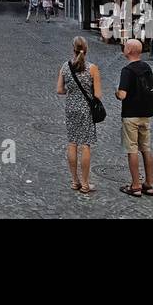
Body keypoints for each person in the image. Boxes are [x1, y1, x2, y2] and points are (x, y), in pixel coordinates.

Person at [56, 36, 101, 194]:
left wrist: (72, 92)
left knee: (72, 143)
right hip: (86, 110)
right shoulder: (92, 68)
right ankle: (85, 184)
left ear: (72, 49)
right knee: (85, 144)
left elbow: (60, 90)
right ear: (86, 49)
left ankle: (75, 181)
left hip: (71, 109)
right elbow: (98, 95)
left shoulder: (65, 66)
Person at [115, 38, 153, 197]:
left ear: (129, 51)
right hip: (146, 114)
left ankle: (135, 186)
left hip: (131, 116)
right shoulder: (146, 67)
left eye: (125, 46)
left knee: (132, 149)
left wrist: (116, 92)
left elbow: (122, 95)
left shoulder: (127, 71)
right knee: (146, 148)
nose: (124, 48)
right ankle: (149, 184)